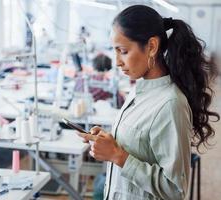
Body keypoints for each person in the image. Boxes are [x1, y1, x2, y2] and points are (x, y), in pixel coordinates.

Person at [77, 5, 220, 200]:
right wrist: (109, 140)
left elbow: (175, 190)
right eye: (115, 51)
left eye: (123, 51)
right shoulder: (139, 89)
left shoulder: (170, 104)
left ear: (152, 47)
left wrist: (117, 156)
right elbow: (140, 144)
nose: (117, 61)